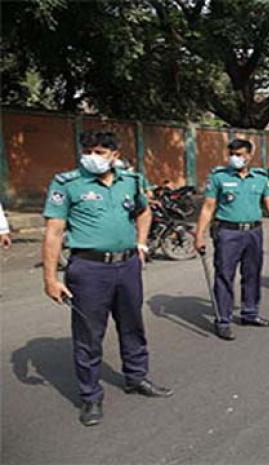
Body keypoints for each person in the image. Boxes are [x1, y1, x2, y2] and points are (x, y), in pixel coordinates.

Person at [42, 130, 173, 427]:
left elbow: (144, 212)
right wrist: (50, 278)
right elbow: (53, 231)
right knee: (89, 335)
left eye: (99, 152)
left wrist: (141, 243)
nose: (92, 157)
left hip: (127, 266)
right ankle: (90, 396)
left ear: (114, 155)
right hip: (88, 270)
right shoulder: (68, 184)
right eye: (87, 150)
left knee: (132, 325)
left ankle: (136, 377)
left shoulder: (132, 181)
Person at [194, 139, 269, 341]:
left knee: (252, 274)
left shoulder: (260, 178)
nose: (235, 158)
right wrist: (199, 235)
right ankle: (223, 320)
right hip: (228, 233)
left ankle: (250, 313)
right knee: (224, 276)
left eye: (240, 154)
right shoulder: (219, 177)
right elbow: (208, 207)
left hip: (254, 233)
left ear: (249, 155)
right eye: (232, 153)